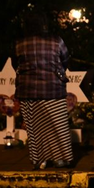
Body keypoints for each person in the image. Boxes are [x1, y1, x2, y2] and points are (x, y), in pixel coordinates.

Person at [14, 12, 73, 170]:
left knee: (35, 128)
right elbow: (65, 59)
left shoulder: (20, 44)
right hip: (53, 90)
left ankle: (40, 160)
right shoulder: (56, 40)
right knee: (57, 126)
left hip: (28, 91)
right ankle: (61, 159)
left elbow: (17, 65)